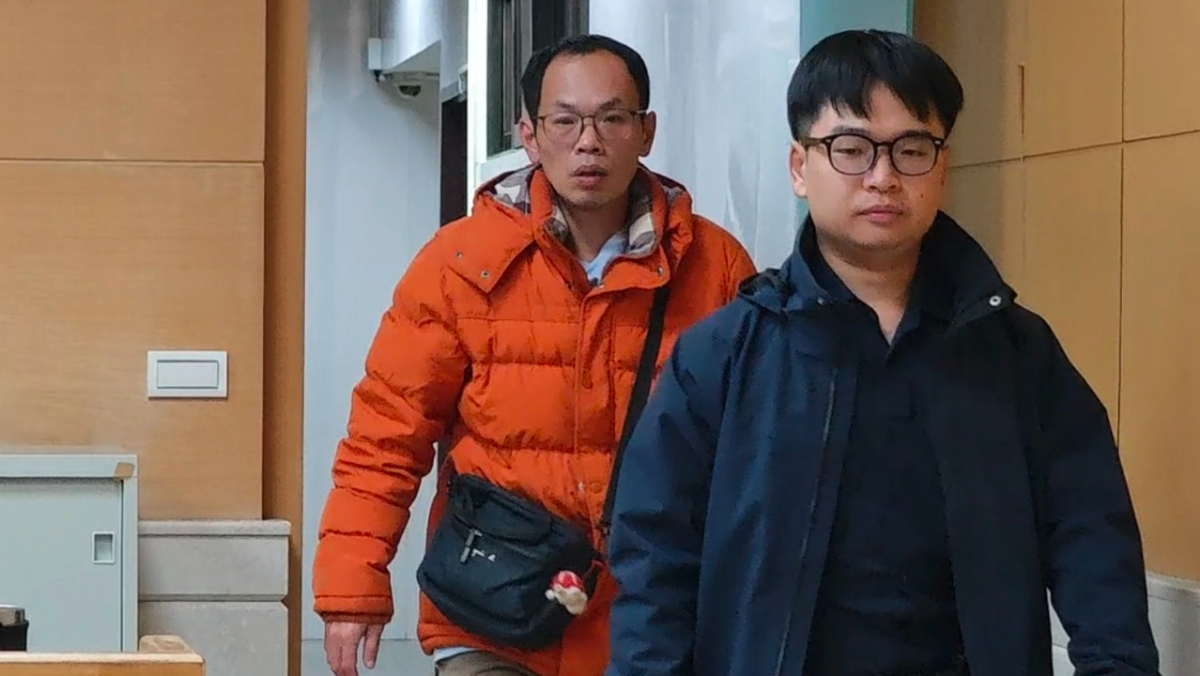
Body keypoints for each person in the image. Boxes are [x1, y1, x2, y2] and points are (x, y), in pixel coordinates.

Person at [604, 29, 1161, 676]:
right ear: (799, 167)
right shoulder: (723, 358)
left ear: (943, 167)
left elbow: (1092, 539)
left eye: (912, 150)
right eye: (851, 149)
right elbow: (656, 564)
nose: (883, 177)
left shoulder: (1015, 353)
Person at [311, 33, 757, 676]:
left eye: (612, 118)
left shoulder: (714, 267)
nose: (588, 142)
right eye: (565, 121)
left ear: (646, 131)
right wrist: (352, 586)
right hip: (491, 608)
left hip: (649, 620)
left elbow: (754, 455)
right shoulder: (460, 263)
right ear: (529, 134)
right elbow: (386, 433)